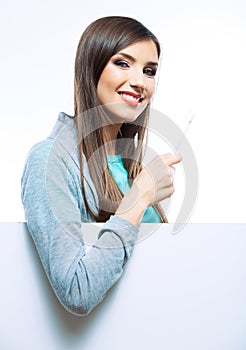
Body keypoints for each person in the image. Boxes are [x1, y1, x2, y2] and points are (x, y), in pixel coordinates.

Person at [21, 16, 181, 316]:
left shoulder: (132, 166)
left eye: (150, 71)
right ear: (91, 67)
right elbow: (76, 290)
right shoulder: (49, 160)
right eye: (123, 63)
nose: (139, 81)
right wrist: (139, 198)